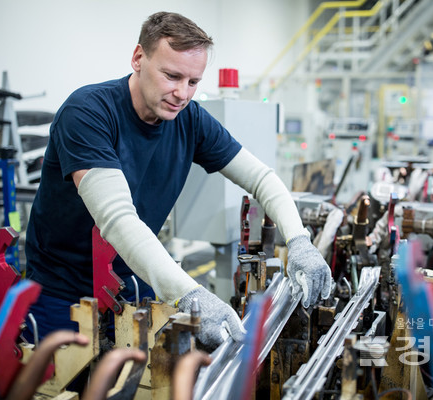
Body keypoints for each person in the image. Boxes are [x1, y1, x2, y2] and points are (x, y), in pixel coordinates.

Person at [24, 11, 332, 350]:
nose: (182, 94)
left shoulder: (190, 119)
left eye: (193, 82)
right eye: (172, 76)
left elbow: (262, 178)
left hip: (132, 284)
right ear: (138, 58)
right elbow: (118, 219)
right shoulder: (88, 113)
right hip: (59, 294)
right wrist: (190, 292)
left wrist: (300, 241)